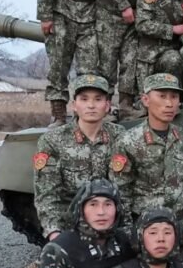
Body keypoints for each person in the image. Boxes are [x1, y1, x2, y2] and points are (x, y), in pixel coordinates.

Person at [34, 74, 124, 241]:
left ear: (107, 105)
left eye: (98, 99)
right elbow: (47, 193)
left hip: (112, 226)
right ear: (74, 105)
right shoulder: (53, 140)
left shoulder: (121, 137)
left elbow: (127, 189)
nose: (91, 105)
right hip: (71, 228)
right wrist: (55, 233)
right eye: (84, 99)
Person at [111, 73, 183, 225]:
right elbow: (121, 191)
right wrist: (127, 229)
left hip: (178, 221)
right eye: (162, 96)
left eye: (174, 97)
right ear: (146, 100)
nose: (169, 103)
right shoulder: (129, 140)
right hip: (145, 223)